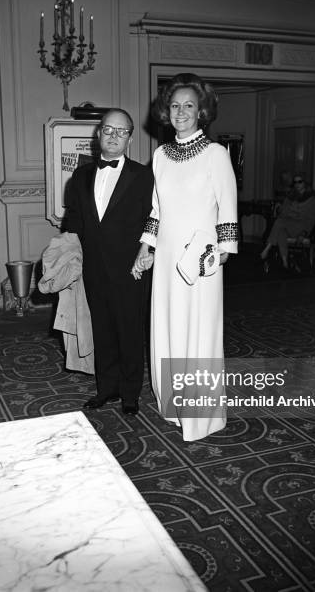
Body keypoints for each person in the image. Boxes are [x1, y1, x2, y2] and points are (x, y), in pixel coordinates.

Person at [133, 73, 238, 442]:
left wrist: (221, 256)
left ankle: (201, 415)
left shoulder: (216, 154)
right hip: (165, 261)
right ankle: (174, 406)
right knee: (168, 326)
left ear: (202, 111)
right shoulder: (160, 155)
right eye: (175, 105)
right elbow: (156, 209)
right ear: (167, 110)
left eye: (188, 106)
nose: (180, 112)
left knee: (199, 331)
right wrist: (146, 247)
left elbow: (228, 210)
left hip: (202, 260)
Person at [63, 109, 154, 416]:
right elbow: (73, 220)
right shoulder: (80, 175)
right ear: (98, 133)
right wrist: (67, 256)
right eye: (109, 130)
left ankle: (130, 394)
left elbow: (154, 221)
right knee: (102, 331)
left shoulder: (143, 176)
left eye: (122, 132)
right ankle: (107, 389)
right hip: (94, 269)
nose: (114, 137)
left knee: (129, 332)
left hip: (131, 270)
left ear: (130, 137)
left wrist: (147, 253)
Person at [260, 176, 315, 271]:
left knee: (279, 223)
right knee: (280, 231)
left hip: (301, 227)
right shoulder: (291, 196)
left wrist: (304, 233)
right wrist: (279, 208)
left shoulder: (311, 199)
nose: (297, 184)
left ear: (305, 183)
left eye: (300, 181)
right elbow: (283, 212)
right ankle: (285, 263)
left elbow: (311, 220)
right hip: (288, 224)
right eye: (295, 182)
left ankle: (267, 249)